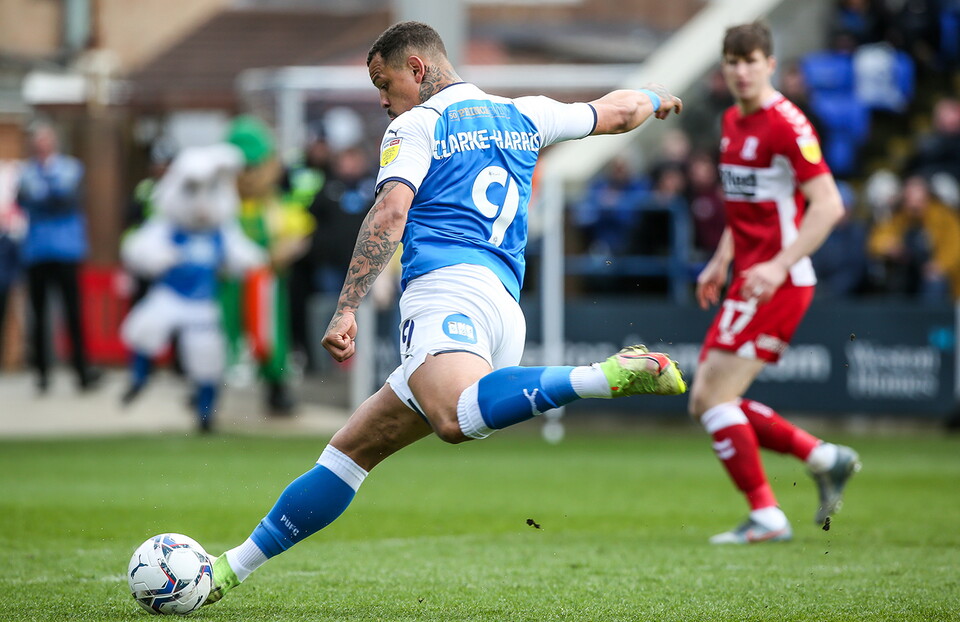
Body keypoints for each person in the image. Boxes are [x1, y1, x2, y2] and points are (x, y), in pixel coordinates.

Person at [197, 20, 686, 606]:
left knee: (455, 418)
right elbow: (616, 111)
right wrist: (656, 99)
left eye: (384, 82)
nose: (382, 99)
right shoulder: (524, 111)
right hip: (503, 306)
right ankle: (226, 571)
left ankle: (601, 377)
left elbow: (389, 214)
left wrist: (345, 307)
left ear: (417, 69)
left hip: (445, 294)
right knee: (352, 451)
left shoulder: (417, 124)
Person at [690, 22, 860, 545]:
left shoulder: (787, 124)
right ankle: (822, 457)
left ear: (770, 63)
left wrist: (778, 265)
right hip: (751, 276)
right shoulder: (730, 121)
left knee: (711, 397)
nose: (741, 71)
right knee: (712, 397)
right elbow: (747, 210)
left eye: (752, 60)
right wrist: (723, 259)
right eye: (732, 61)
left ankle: (768, 514)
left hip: (781, 280)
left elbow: (830, 205)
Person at [16, 123, 100, 393]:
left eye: (46, 141)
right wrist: (46, 196)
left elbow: (65, 200)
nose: (42, 147)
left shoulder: (70, 167)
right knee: (38, 314)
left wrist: (43, 196)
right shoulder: (26, 172)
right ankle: (41, 373)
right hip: (37, 251)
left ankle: (81, 371)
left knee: (73, 312)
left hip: (66, 250)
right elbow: (24, 200)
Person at [867, 174, 960, 302]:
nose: (913, 203)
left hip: (938, 277)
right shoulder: (900, 217)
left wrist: (939, 265)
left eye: (918, 198)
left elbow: (955, 247)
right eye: (909, 197)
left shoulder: (943, 216)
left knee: (934, 283)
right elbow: (876, 240)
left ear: (926, 196)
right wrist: (889, 247)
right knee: (892, 282)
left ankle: (929, 321)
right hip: (909, 272)